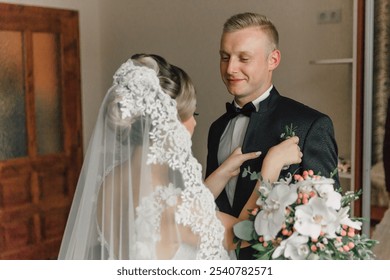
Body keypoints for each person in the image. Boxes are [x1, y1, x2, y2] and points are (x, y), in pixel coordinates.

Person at [58, 53, 301, 260]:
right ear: (168, 124)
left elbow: (185, 217)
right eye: (190, 114)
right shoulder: (173, 205)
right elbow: (246, 233)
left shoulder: (110, 182)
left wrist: (223, 172)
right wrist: (271, 166)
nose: (194, 123)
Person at [205, 12, 339, 260]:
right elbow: (207, 207)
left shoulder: (310, 124)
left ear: (273, 60)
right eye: (225, 57)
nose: (230, 68)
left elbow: (328, 217)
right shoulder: (217, 128)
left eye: (244, 58)